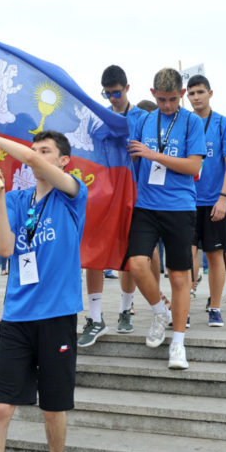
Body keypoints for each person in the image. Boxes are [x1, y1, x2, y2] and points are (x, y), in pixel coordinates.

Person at [0, 117, 87, 452]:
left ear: (63, 161)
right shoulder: (20, 200)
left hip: (56, 315)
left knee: (52, 406)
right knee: (1, 407)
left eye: (44, 151)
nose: (34, 156)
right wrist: (0, 195)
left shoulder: (72, 194)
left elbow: (33, 165)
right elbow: (5, 248)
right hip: (17, 317)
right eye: (33, 150)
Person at [125, 68, 205, 370]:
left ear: (182, 95)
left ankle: (178, 343)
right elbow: (133, 153)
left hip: (179, 206)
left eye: (172, 99)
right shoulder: (146, 119)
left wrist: (153, 155)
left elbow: (192, 166)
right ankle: (160, 311)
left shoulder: (192, 122)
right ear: (152, 94)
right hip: (146, 204)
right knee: (136, 264)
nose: (167, 105)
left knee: (178, 276)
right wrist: (135, 156)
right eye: (161, 99)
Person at [78, 65, 148, 346]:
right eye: (106, 94)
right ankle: (95, 317)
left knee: (128, 256)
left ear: (127, 88)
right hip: (101, 196)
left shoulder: (142, 118)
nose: (111, 99)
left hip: (133, 194)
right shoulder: (98, 118)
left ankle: (124, 310)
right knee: (92, 253)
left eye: (116, 93)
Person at [185, 74, 226, 327]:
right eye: (192, 93)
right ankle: (182, 307)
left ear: (210, 93)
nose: (196, 97)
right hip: (185, 200)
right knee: (185, 255)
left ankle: (215, 307)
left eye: (200, 92)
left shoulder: (223, 124)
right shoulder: (183, 122)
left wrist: (223, 198)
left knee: (215, 255)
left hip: (214, 202)